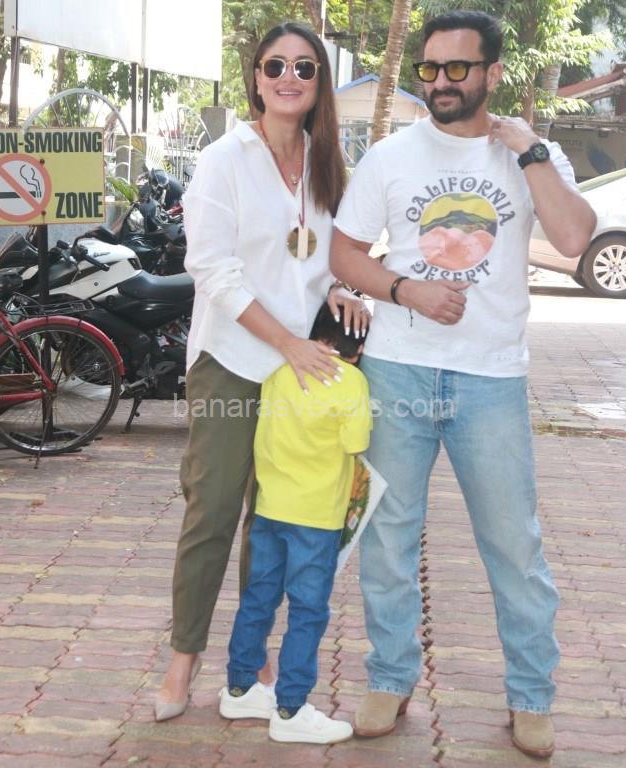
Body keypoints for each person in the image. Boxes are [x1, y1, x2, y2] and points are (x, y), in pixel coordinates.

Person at [330, 10, 596, 760]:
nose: (441, 82)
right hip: (398, 369)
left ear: (492, 73)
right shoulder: (390, 156)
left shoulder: (531, 154)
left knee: (513, 545)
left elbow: (575, 239)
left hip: (492, 378)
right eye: (430, 69)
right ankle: (390, 678)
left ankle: (531, 696)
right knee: (386, 535)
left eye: (457, 69)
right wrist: (405, 289)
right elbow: (344, 254)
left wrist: (531, 152)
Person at [155, 22, 368, 722]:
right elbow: (211, 269)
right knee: (213, 510)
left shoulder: (327, 159)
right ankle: (183, 659)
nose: (289, 78)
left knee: (274, 518)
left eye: (304, 67)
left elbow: (323, 256)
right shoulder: (224, 158)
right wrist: (287, 341)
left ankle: (250, 664)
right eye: (276, 65)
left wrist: (339, 289)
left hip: (298, 371)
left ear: (319, 82)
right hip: (234, 360)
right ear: (255, 77)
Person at [218, 301, 371, 744]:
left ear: (314, 334)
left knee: (258, 598)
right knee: (307, 611)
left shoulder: (279, 371)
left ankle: (240, 688)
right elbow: (356, 442)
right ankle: (290, 708)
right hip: (317, 518)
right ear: (360, 350)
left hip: (270, 509)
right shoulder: (352, 381)